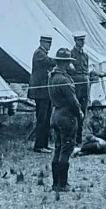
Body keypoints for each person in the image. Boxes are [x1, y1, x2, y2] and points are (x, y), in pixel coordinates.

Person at [46, 47, 83, 191]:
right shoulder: (64, 80)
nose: (69, 65)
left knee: (58, 148)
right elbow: (73, 101)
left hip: (56, 114)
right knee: (66, 149)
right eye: (68, 62)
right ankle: (63, 184)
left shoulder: (52, 76)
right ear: (65, 63)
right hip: (67, 116)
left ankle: (56, 183)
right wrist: (79, 113)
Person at [29, 35, 55, 152]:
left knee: (46, 118)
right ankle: (39, 146)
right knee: (42, 119)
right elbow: (49, 62)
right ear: (41, 42)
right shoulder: (39, 53)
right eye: (47, 43)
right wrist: (62, 60)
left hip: (45, 92)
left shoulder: (43, 53)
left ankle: (44, 144)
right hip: (40, 92)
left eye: (50, 43)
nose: (49, 45)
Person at [70, 34, 93, 115]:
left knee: (84, 104)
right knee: (76, 105)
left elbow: (86, 70)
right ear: (75, 40)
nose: (83, 42)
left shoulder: (85, 55)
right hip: (76, 83)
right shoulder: (71, 54)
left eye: (83, 40)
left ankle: (81, 125)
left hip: (85, 83)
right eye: (80, 40)